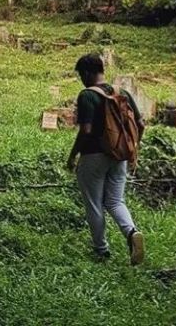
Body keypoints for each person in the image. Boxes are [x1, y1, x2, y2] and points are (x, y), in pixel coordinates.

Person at [67, 53, 146, 265]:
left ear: (87, 73)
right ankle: (132, 233)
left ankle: (101, 251)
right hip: (119, 156)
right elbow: (141, 124)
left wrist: (73, 155)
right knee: (115, 201)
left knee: (94, 204)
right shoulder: (123, 93)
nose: (81, 79)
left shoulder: (87, 96)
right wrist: (132, 150)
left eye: (81, 75)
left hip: (93, 156)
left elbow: (86, 130)